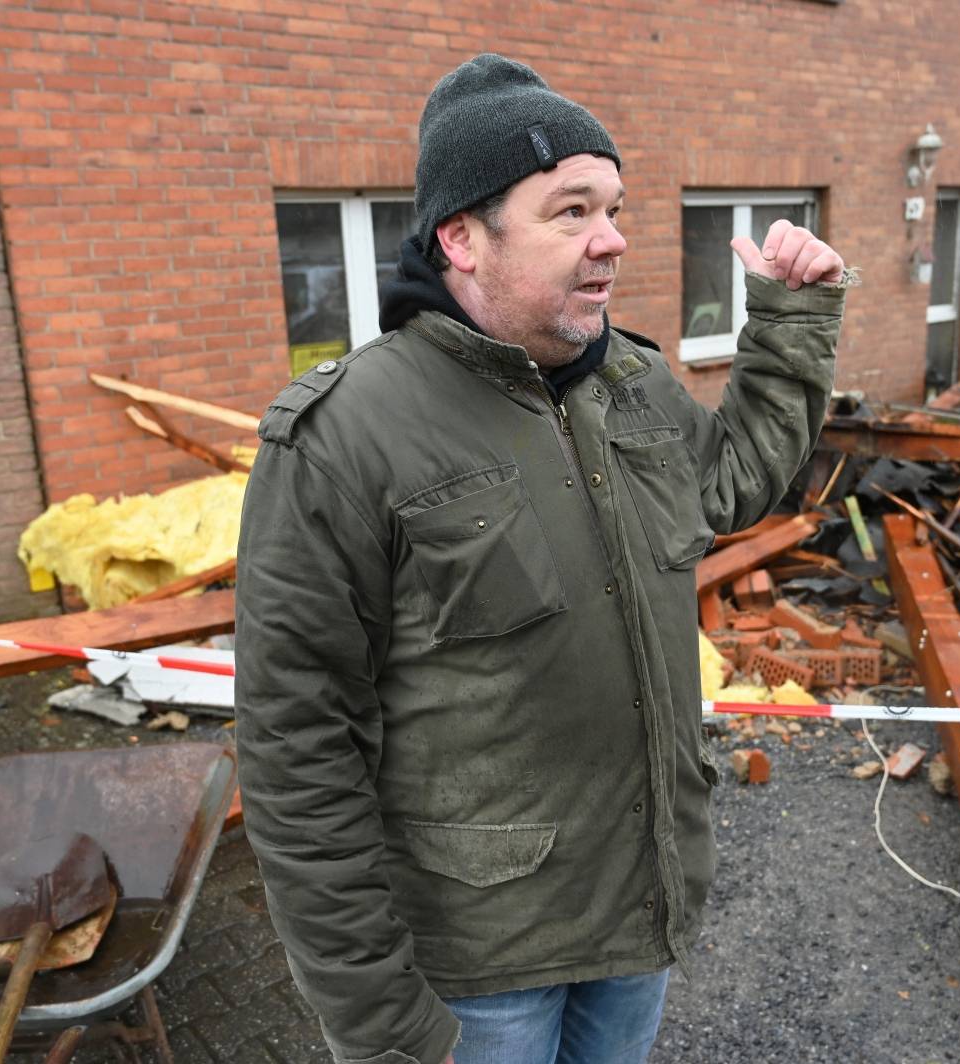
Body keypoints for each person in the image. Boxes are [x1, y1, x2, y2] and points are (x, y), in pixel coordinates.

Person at [234, 53, 851, 1064]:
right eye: (570, 211)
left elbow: (734, 480)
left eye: (612, 207)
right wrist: (378, 1016)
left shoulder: (632, 384)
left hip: (636, 915)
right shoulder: (346, 436)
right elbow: (297, 749)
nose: (610, 239)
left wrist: (788, 322)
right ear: (461, 238)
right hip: (480, 967)